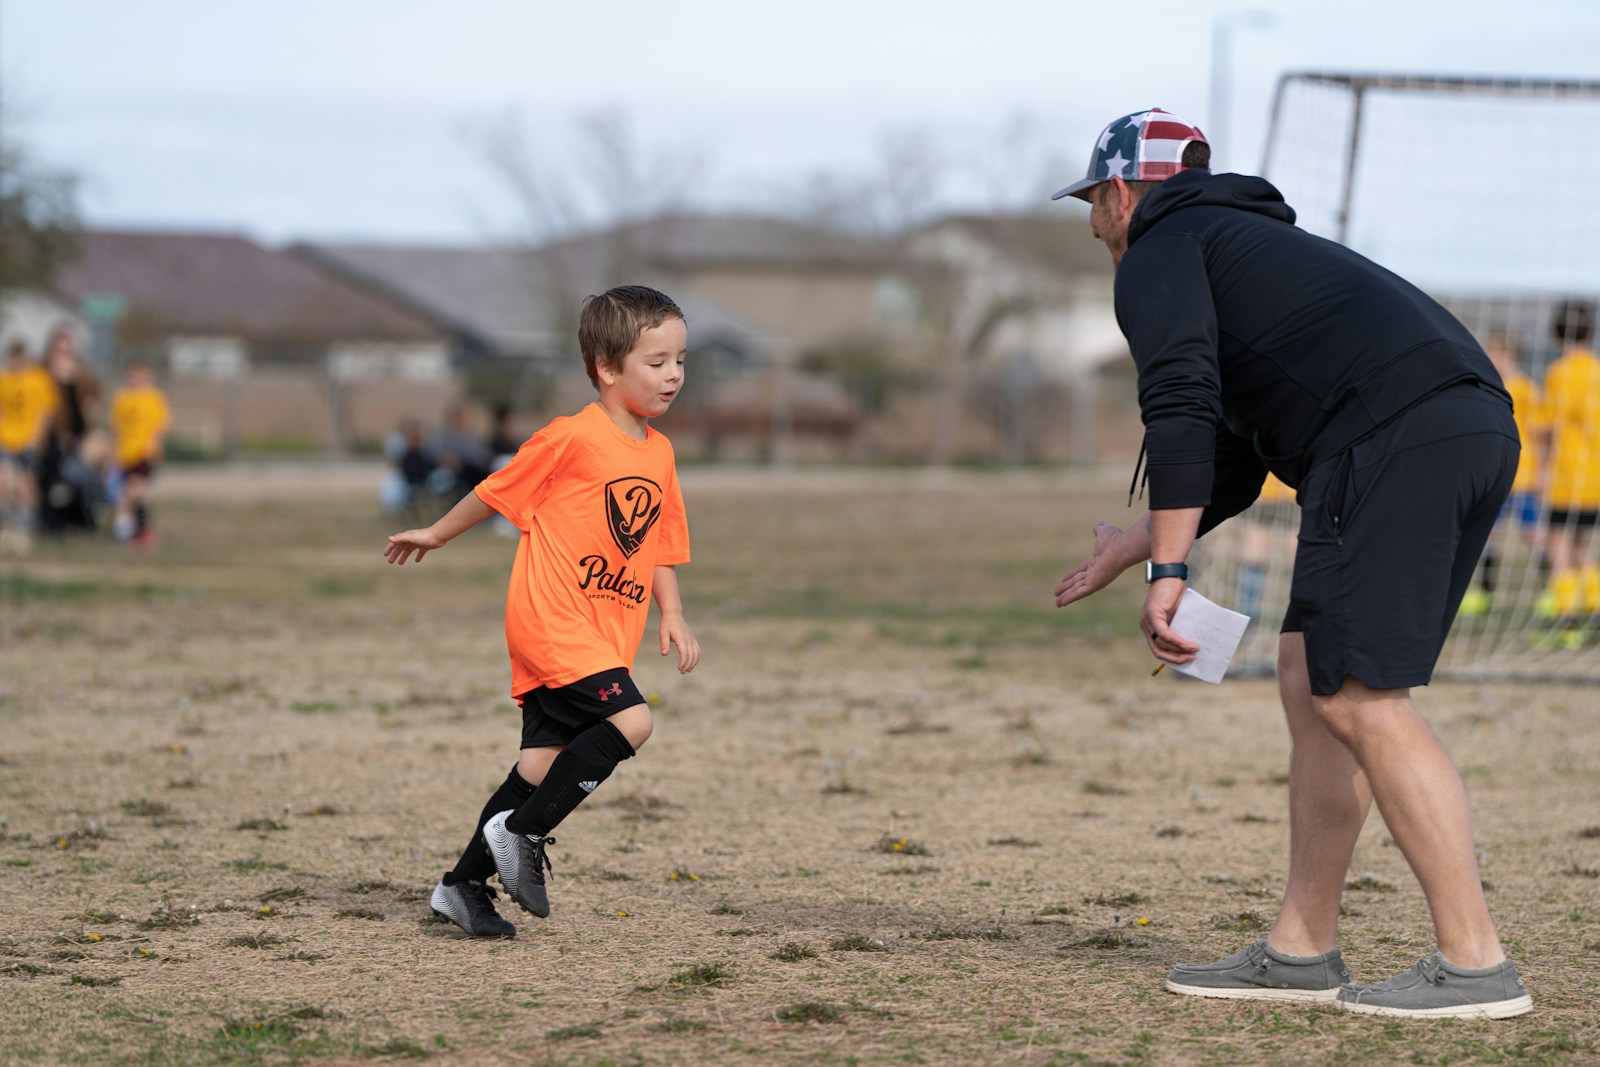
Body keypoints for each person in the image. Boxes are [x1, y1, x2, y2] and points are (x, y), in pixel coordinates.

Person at [1050, 109, 1529, 1018]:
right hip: (1459, 425)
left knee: (1359, 695)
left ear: (1120, 193)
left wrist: (1169, 575)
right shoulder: (1247, 242)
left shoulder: (1160, 248)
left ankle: (1475, 964)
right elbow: (1237, 444)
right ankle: (1301, 947)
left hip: (1393, 436)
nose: (1091, 226)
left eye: (1092, 204)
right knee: (1315, 676)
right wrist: (1138, 542)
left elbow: (1181, 401)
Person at [384, 285, 699, 939]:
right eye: (657, 361)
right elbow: (494, 491)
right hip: (554, 620)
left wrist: (672, 612)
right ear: (608, 368)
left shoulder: (660, 453)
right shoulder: (571, 438)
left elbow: (658, 543)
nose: (674, 374)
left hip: (604, 632)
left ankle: (461, 887)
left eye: (680, 360)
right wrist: (436, 534)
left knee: (540, 765)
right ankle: (521, 833)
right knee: (633, 721)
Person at [1460, 333, 1546, 618]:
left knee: (1534, 535)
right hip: (1496, 475)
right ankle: (1482, 594)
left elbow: (1539, 433)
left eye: (1498, 352)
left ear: (1512, 355)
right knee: (1488, 536)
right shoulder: (1488, 385)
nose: (1493, 358)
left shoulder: (1526, 388)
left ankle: (1552, 589)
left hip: (1522, 476)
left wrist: (1542, 471)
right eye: (1491, 352)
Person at [1537, 300, 1600, 637]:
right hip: (1595, 477)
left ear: (1556, 333)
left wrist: (1541, 466)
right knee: (1578, 545)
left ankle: (1567, 618)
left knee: (1557, 543)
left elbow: (1551, 425)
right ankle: (1594, 605)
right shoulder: (1597, 370)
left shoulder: (1559, 373)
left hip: (1568, 474)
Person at [37, 328, 108, 535]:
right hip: (54, 440)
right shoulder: (42, 377)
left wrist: (77, 382)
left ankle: (103, 504)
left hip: (79, 439)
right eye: (60, 353)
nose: (64, 359)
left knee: (102, 452)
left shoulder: (81, 378)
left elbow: (91, 405)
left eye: (68, 353)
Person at [0, 340, 59, 554]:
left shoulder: (39, 379)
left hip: (29, 439)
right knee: (4, 482)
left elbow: (46, 412)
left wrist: (37, 436)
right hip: (6, 439)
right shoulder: (4, 378)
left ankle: (25, 528)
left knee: (26, 483)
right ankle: (7, 526)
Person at [107, 361, 171, 546]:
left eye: (140, 374)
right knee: (125, 496)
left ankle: (138, 529)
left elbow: (159, 427)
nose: (136, 379)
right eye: (133, 374)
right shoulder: (122, 398)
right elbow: (116, 428)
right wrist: (114, 453)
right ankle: (134, 529)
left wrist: (151, 449)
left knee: (134, 492)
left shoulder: (154, 398)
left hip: (143, 454)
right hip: (124, 455)